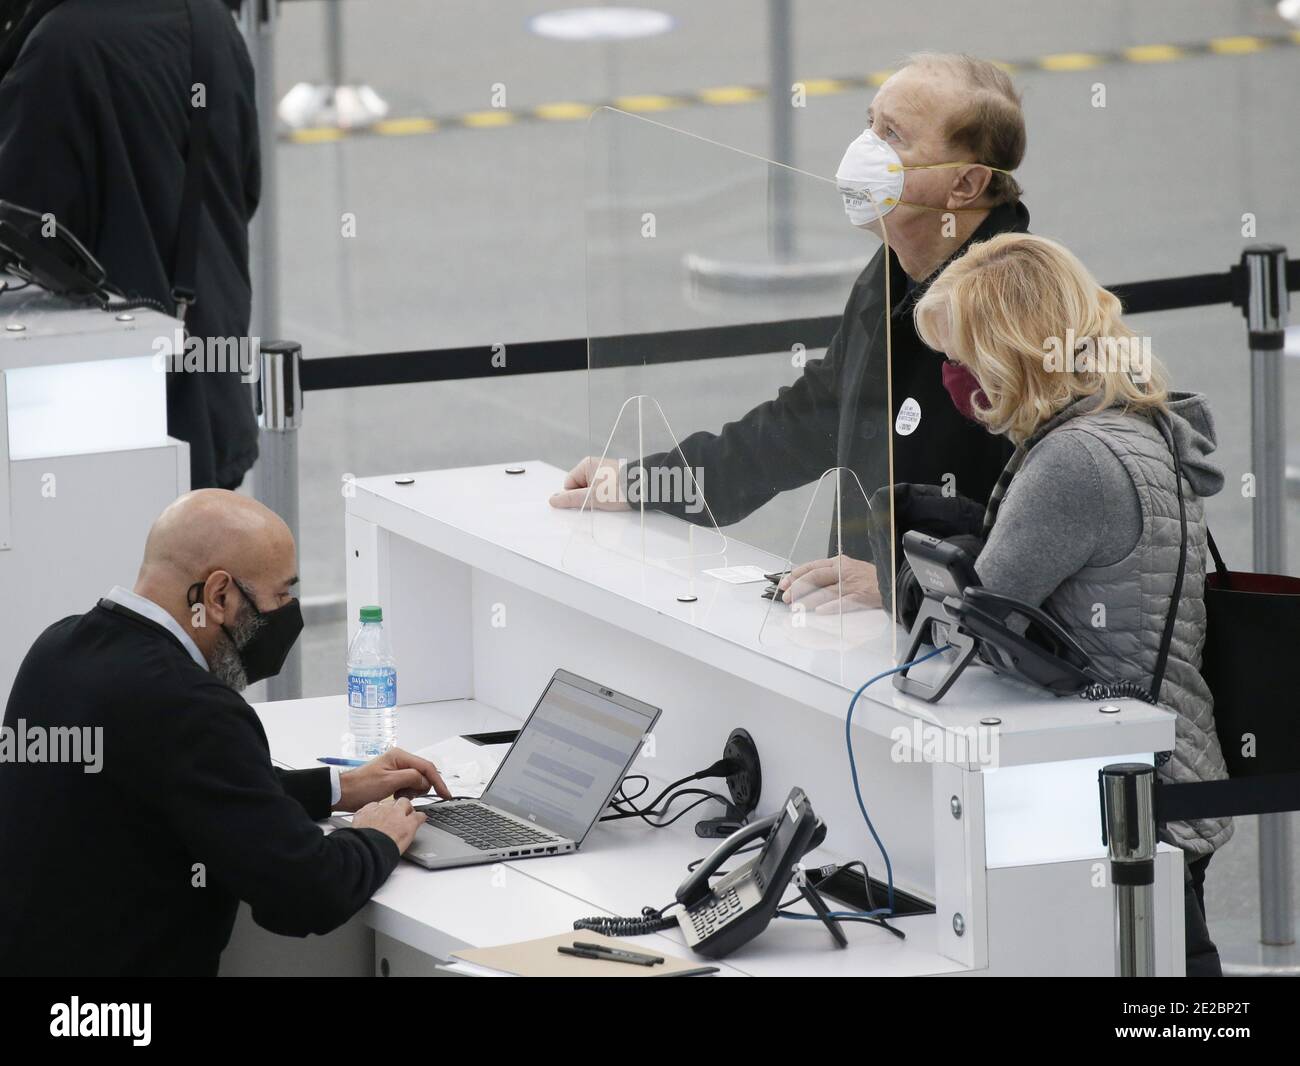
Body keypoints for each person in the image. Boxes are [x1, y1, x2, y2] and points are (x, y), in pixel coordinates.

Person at [551, 52, 1027, 611]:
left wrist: (899, 586)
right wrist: (645, 483)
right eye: (869, 123)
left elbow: (1058, 522)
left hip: (965, 666)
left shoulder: (1017, 313)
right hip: (863, 641)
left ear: (965, 184)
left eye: (894, 136)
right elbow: (802, 425)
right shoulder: (896, 268)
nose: (863, 150)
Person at [912, 232, 1232, 976]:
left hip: (1127, 800)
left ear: (1012, 352)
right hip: (1167, 768)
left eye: (962, 358)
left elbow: (986, 618)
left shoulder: (1076, 458)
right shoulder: (1128, 421)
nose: (953, 379)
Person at [0, 490, 451, 976]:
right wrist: (375, 838)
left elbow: (183, 791)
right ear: (218, 596)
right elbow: (304, 893)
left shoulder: (57, 649)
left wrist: (339, 787)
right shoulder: (193, 707)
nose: (287, 613)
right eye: (279, 595)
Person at [0, 0, 260, 489]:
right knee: (200, 557)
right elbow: (243, 188)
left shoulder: (58, 49)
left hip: (95, 412)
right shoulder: (212, 23)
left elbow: (21, 228)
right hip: (211, 378)